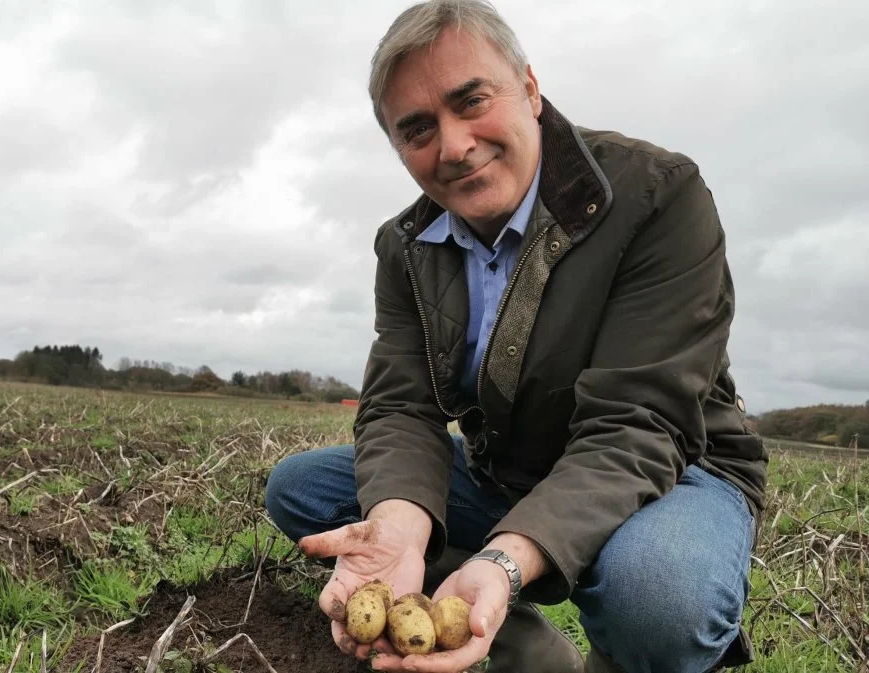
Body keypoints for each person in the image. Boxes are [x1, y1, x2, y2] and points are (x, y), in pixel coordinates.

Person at [263, 1, 768, 672]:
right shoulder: (407, 245)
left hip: (669, 470)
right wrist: (399, 521)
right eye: (417, 130)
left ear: (529, 89)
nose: (454, 145)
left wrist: (506, 557)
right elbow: (401, 407)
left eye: (471, 100)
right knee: (306, 488)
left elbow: (637, 425)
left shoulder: (657, 196)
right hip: (511, 468)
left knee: (657, 596)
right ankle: (529, 655)